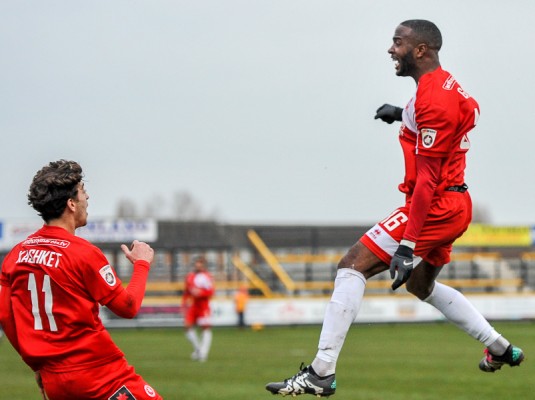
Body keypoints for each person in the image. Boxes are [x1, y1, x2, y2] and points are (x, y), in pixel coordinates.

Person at [266, 19, 524, 397]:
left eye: (398, 42)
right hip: (455, 202)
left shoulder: (433, 100)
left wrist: (407, 245)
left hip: (435, 203)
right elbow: (451, 122)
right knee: (421, 285)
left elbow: (427, 179)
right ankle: (500, 348)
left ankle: (321, 372)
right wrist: (401, 116)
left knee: (353, 264)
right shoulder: (443, 88)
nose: (391, 49)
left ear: (421, 50)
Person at [0, 160, 162, 400]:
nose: (88, 198)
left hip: (55, 381)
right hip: (101, 376)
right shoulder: (83, 253)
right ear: (71, 203)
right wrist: (141, 264)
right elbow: (127, 307)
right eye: (83, 191)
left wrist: (37, 366)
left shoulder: (16, 255)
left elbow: (5, 315)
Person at [182, 256, 215, 362]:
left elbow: (211, 291)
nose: (198, 265)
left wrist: (201, 293)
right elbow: (186, 292)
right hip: (193, 305)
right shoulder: (190, 277)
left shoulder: (207, 277)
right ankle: (198, 349)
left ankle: (203, 352)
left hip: (203, 305)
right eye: (196, 263)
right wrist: (183, 304)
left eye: (200, 263)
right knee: (187, 327)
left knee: (205, 328)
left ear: (204, 265)